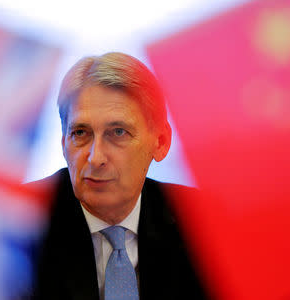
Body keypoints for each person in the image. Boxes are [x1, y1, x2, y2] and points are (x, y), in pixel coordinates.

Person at [25, 52, 208, 300]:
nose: (95, 157)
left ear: (161, 142)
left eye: (118, 132)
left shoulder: (200, 225)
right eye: (80, 133)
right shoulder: (20, 225)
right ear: (63, 142)